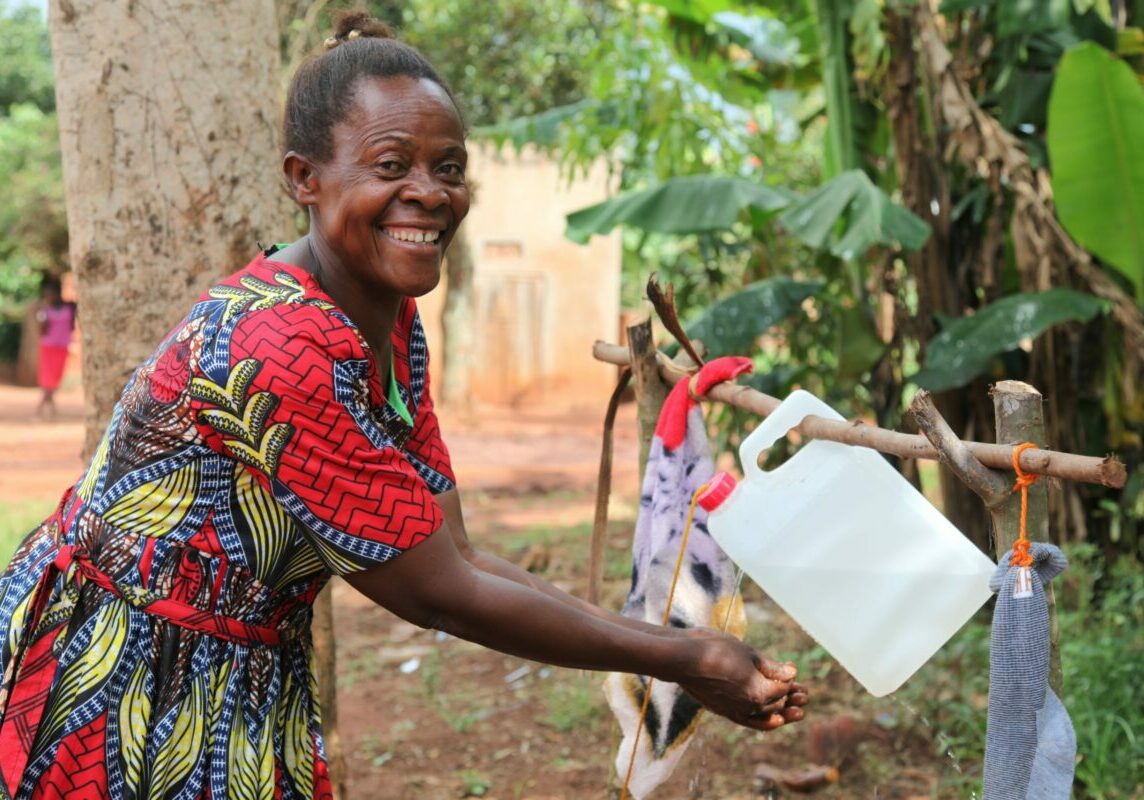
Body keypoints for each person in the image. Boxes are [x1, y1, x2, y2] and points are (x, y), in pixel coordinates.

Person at [0, 12, 807, 798]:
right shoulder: (278, 346)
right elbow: (438, 592)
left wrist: (680, 647)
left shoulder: (387, 323)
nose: (429, 194)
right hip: (122, 670)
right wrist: (688, 660)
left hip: (234, 661)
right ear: (302, 180)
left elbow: (453, 550)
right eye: (391, 167)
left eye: (448, 168)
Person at [34, 277, 76, 420]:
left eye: (50, 294)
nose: (48, 297)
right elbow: (42, 330)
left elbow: (72, 325)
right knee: (47, 377)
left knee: (56, 377)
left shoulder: (70, 308)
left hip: (63, 346)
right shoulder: (45, 310)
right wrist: (42, 315)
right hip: (48, 347)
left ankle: (46, 409)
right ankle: (45, 410)